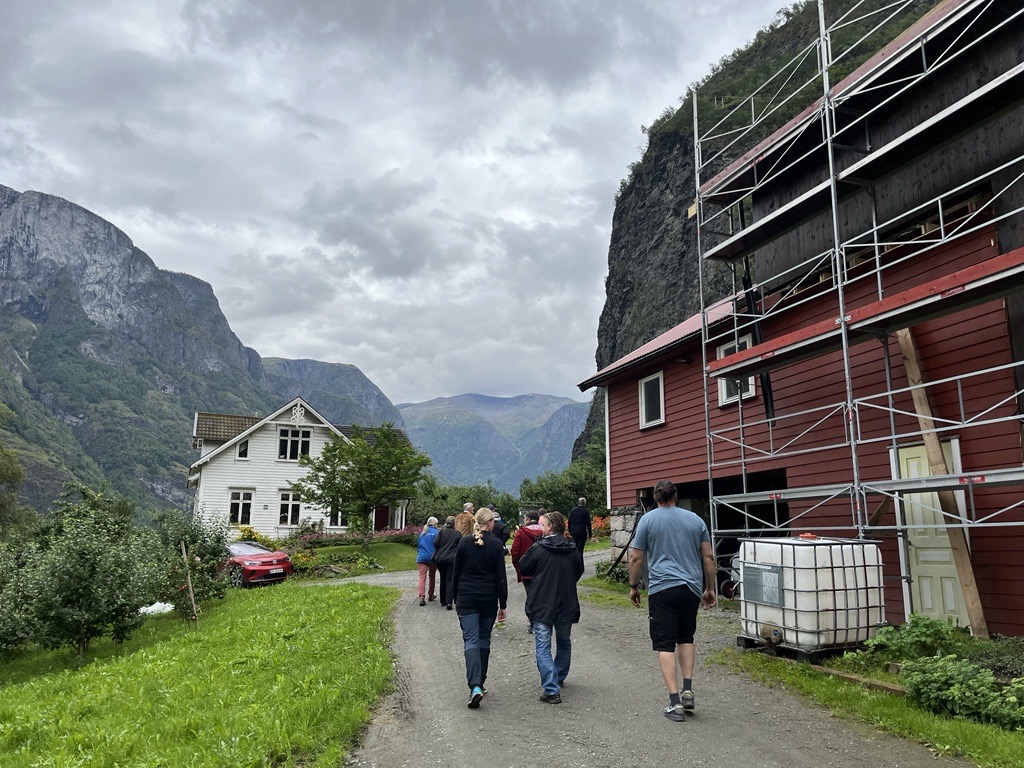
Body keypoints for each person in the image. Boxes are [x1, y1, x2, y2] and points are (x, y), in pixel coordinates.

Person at [627, 479, 716, 722]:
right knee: (686, 637)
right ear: (675, 496)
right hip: (690, 588)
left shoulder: (647, 520)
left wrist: (634, 587)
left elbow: (636, 558)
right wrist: (710, 588)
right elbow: (708, 555)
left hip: (662, 589)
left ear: (655, 497)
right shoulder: (696, 520)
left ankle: (675, 703)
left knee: (664, 644)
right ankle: (688, 689)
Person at [519, 510, 584, 704]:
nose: (540, 528)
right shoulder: (572, 549)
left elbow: (524, 566)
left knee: (543, 644)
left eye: (542, 524)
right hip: (566, 602)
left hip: (543, 603)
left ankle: (551, 687)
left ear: (550, 527)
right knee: (564, 641)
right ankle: (559, 676)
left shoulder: (539, 548)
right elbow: (578, 571)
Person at [452, 507, 508, 708]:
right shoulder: (496, 545)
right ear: (490, 523)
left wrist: (453, 598)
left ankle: (474, 685)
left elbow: (456, 572)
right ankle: (480, 682)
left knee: (471, 640)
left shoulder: (465, 543)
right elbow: (501, 578)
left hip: (467, 597)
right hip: (488, 599)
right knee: (484, 638)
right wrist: (503, 604)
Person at [509, 509, 544, 633]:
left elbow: (515, 552)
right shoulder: (544, 532)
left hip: (527, 571)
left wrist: (518, 568)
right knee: (542, 595)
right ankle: (542, 621)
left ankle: (533, 622)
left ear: (528, 519)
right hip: (542, 571)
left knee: (530, 596)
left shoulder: (521, 533)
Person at [432, 516, 461, 609]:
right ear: (454, 524)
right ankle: (449, 602)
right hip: (451, 558)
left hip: (440, 558)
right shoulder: (457, 534)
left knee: (443, 578)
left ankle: (443, 600)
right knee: (450, 580)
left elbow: (435, 543)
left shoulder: (442, 531)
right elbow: (461, 546)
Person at [416, 517, 440, 606]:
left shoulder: (422, 533)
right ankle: (430, 594)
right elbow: (438, 545)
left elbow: (418, 546)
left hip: (421, 557)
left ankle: (421, 597)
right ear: (435, 524)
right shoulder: (436, 533)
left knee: (422, 577)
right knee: (432, 576)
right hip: (432, 558)